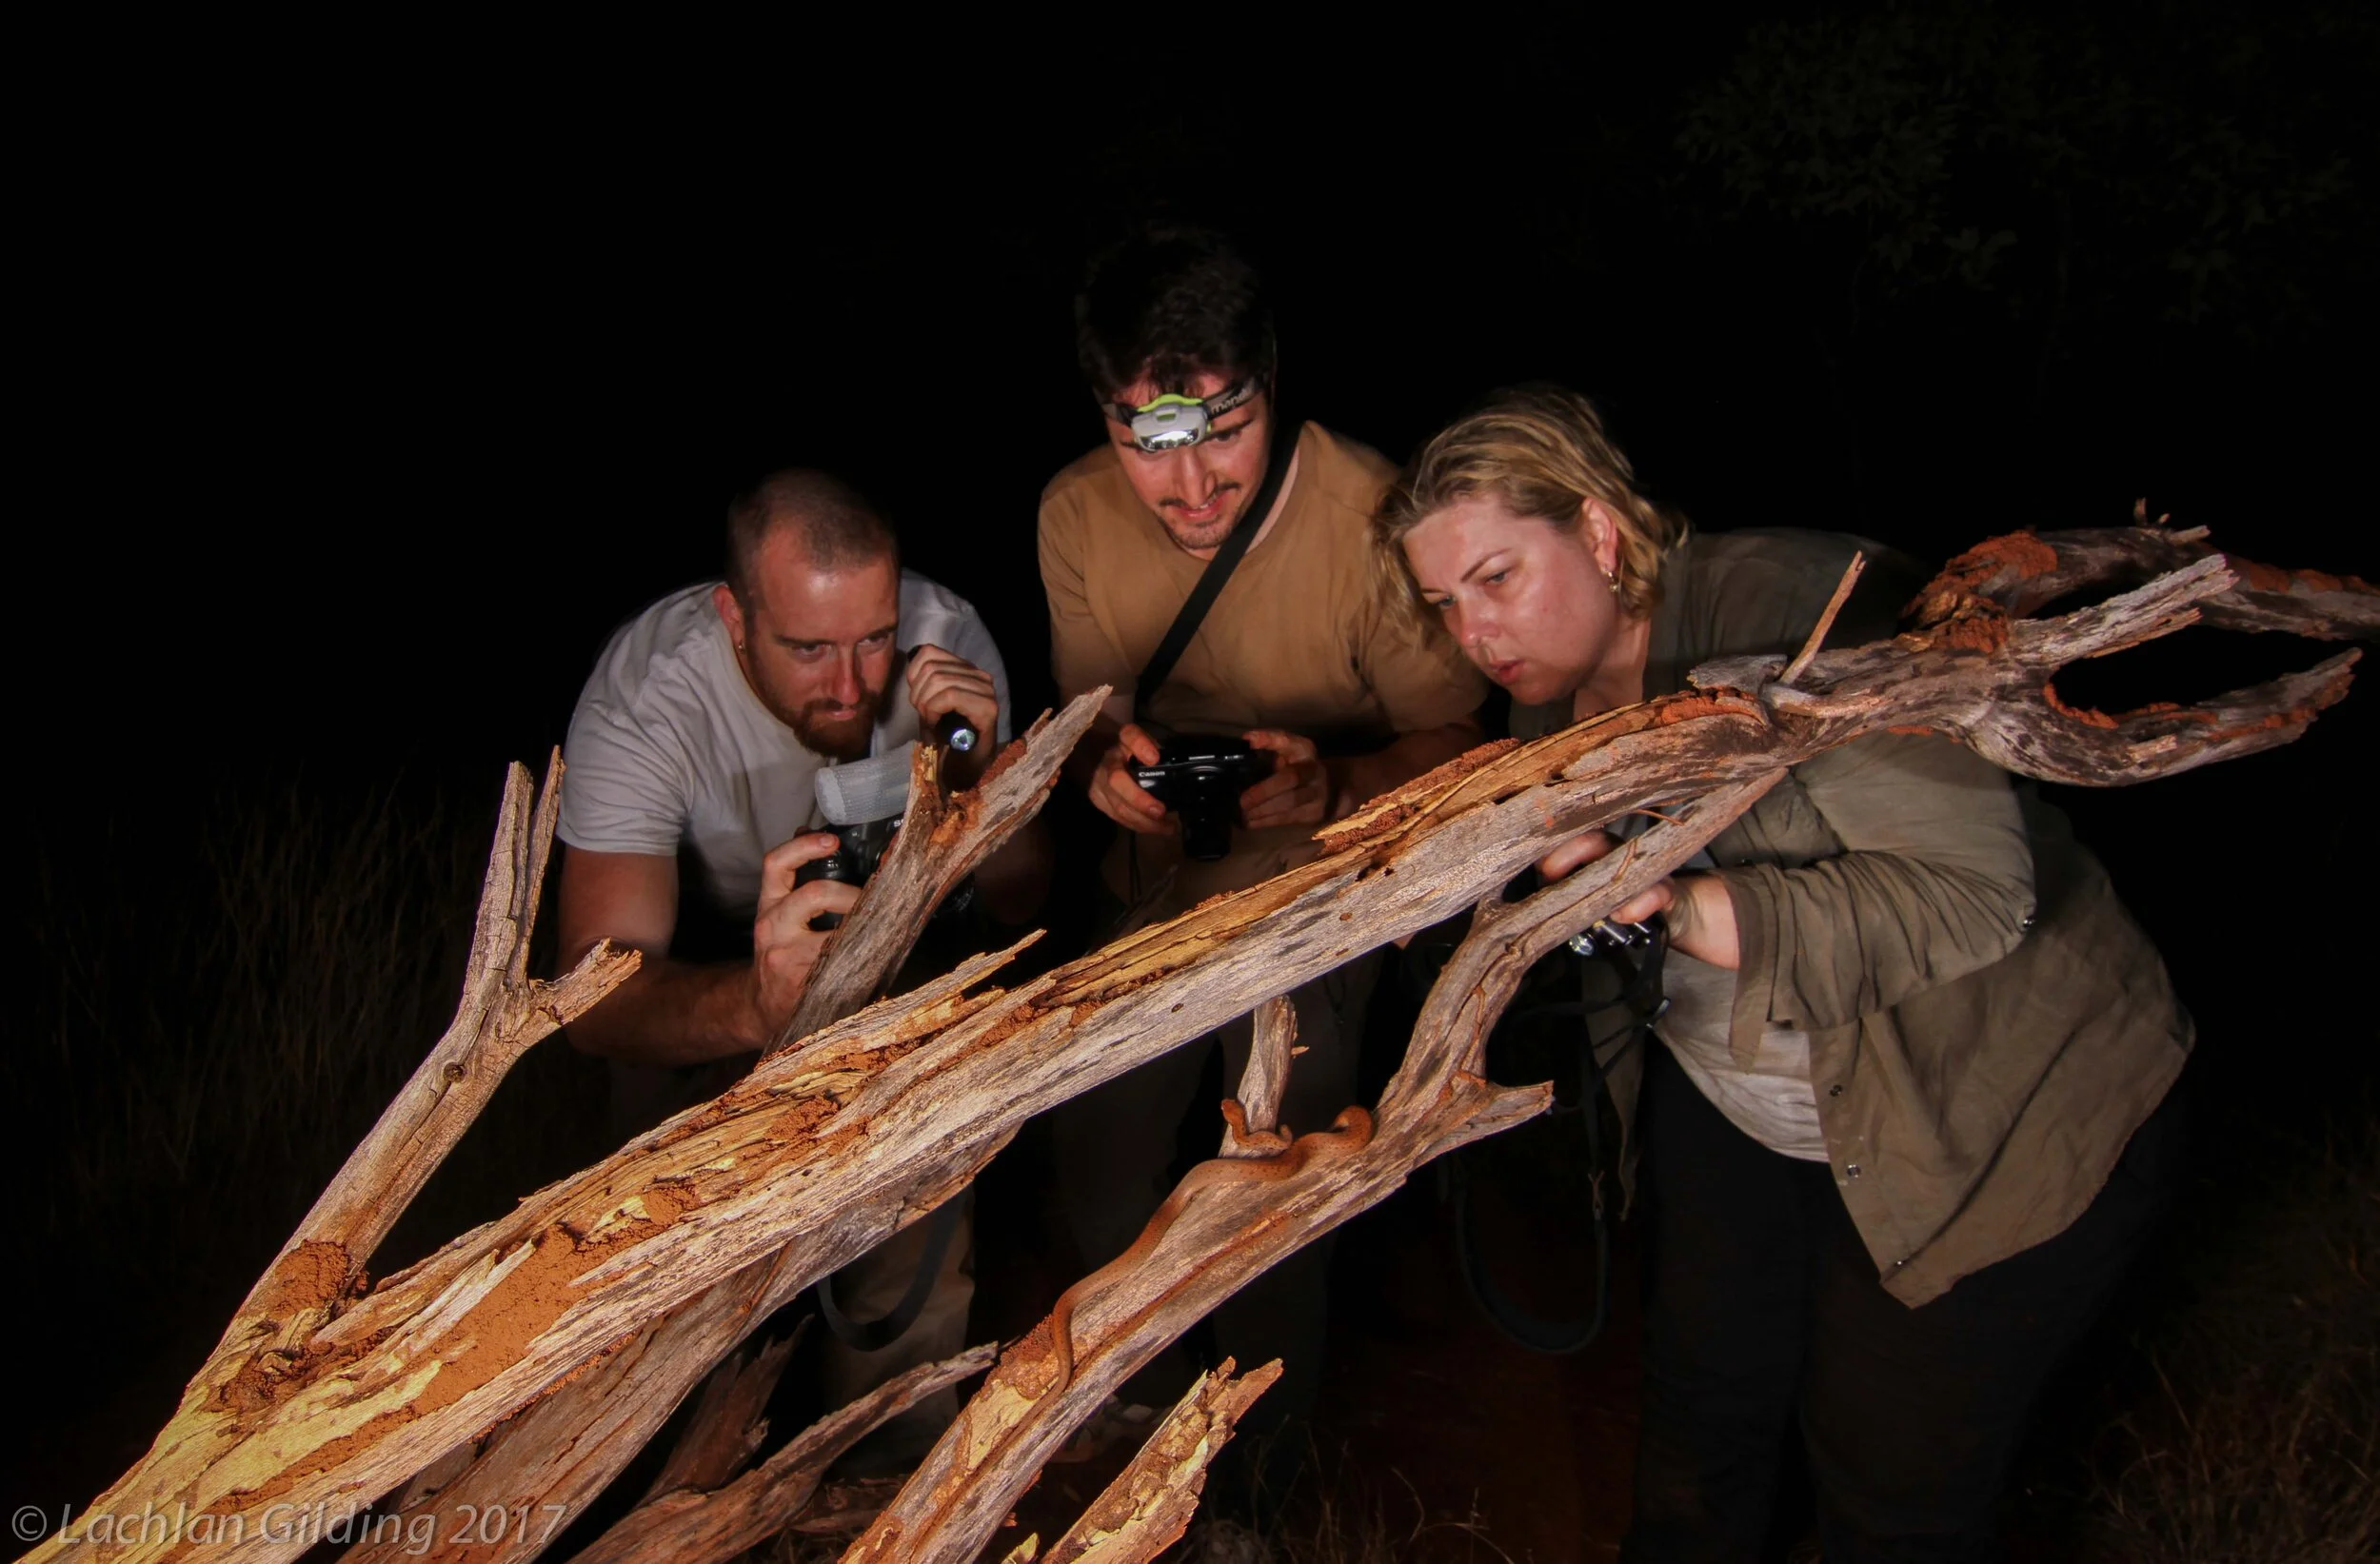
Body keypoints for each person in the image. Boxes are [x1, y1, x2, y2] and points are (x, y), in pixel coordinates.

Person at [1376, 386, 2191, 1562]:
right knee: (1704, 1400)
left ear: (1601, 533)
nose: (1474, 629)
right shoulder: (1544, 691)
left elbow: (1972, 893)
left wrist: (1674, 901)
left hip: (1984, 1108)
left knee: (1886, 1480)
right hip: (1747, 1095)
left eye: (1497, 577)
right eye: (1444, 601)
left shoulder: (1811, 613)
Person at [1037, 227, 1489, 1479]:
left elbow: (1461, 733)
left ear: (1270, 385)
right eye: (1149, 445)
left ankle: (1264, 1455)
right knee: (1099, 1138)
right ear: (1106, 420)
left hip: (1313, 888)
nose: (1189, 490)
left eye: (1219, 434)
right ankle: (1139, 1417)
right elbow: (1088, 726)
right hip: (1154, 891)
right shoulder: (1073, 513)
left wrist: (1332, 780)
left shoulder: (1374, 516)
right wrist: (1104, 777)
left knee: (1276, 1153)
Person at [555, 466, 1038, 1467]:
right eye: (808, 647)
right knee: (669, 1284)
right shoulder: (648, 696)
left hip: (893, 988)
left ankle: (888, 1483)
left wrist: (981, 783)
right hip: (709, 979)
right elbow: (593, 1000)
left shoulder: (947, 642)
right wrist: (760, 1005)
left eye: (872, 638)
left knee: (913, 1239)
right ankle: (679, 1483)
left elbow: (1028, 900)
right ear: (735, 615)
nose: (854, 685)